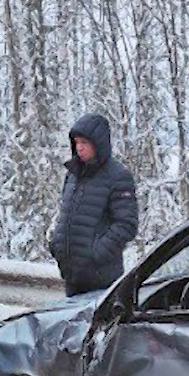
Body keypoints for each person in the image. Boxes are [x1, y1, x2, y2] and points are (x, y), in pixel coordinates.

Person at [48, 112, 138, 295]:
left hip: (102, 279)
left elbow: (126, 224)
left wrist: (96, 254)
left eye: (84, 143)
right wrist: (57, 245)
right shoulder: (73, 175)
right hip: (73, 276)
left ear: (99, 143)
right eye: (76, 142)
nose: (79, 148)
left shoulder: (118, 176)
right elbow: (66, 215)